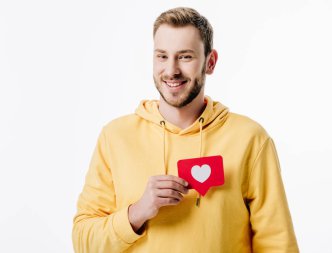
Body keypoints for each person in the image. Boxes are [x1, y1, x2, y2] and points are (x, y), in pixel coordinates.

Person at [72, 7, 299, 253]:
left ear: (210, 62)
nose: (171, 70)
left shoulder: (250, 139)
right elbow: (84, 241)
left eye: (185, 56)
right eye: (162, 56)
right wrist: (137, 212)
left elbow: (278, 245)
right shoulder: (115, 137)